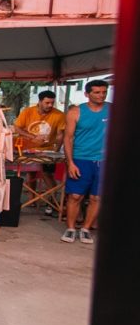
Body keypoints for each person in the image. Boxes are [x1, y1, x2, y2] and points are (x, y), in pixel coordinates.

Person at [61, 80, 110, 244]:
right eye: (97, 92)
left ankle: (86, 229)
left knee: (97, 197)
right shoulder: (76, 112)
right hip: (81, 158)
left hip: (103, 160)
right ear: (87, 94)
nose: (101, 95)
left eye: (104, 92)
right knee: (75, 195)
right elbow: (68, 138)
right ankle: (70, 228)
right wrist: (70, 163)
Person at [13, 90, 66, 215]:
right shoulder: (28, 111)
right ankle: (32, 199)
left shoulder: (59, 115)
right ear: (40, 102)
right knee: (31, 174)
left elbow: (60, 134)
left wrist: (56, 151)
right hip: (28, 149)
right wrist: (32, 137)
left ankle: (52, 201)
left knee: (47, 174)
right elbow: (17, 127)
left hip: (47, 149)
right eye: (47, 103)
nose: (50, 105)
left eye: (52, 103)